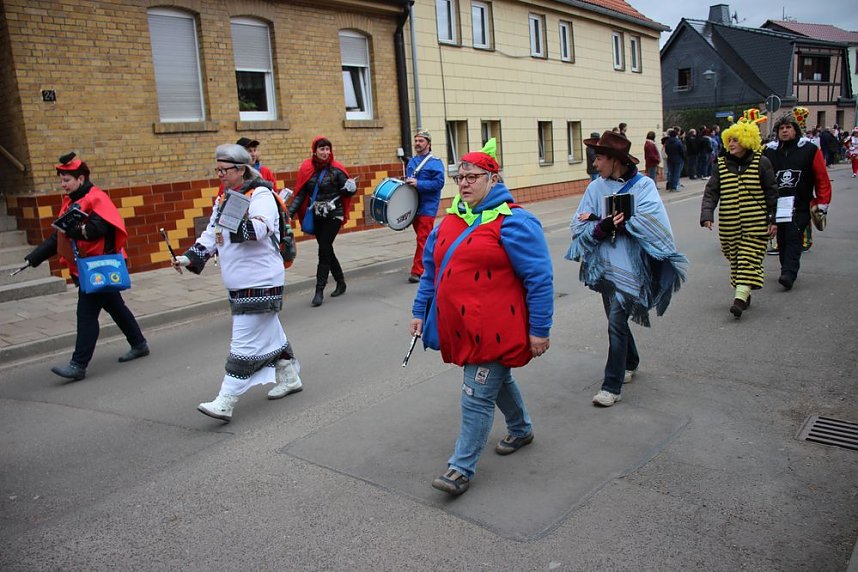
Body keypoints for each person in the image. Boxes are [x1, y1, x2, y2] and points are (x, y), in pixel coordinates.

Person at [410, 139, 553, 497]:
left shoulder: (515, 222)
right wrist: (418, 311)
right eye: (460, 177)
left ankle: (460, 468)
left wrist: (539, 330)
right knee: (494, 380)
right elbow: (431, 270)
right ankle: (521, 429)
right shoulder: (450, 221)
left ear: (493, 179)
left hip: (498, 330)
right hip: (462, 329)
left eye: (473, 176)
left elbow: (539, 279)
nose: (464, 183)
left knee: (476, 392)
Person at [172, 144, 302, 422]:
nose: (219, 174)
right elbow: (211, 235)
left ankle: (226, 400)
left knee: (243, 342)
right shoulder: (224, 200)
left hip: (261, 280)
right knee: (269, 329)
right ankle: (289, 374)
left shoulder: (261, 194)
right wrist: (187, 258)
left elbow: (259, 228)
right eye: (217, 169)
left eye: (224, 169)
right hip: (240, 282)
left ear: (241, 170)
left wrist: (233, 218)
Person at [567, 132, 686, 407]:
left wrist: (616, 222)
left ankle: (612, 385)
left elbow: (654, 225)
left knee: (616, 322)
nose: (595, 164)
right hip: (604, 268)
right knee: (614, 319)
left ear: (615, 160)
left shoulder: (643, 186)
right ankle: (631, 361)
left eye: (599, 158)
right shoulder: (595, 188)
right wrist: (603, 225)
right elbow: (577, 225)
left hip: (633, 269)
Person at [24, 153, 149, 381]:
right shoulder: (71, 201)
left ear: (80, 179)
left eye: (66, 180)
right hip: (85, 267)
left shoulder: (96, 198)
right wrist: (33, 258)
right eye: (61, 180)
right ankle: (139, 344)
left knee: (86, 314)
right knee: (115, 306)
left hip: (99, 267)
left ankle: (78, 365)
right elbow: (58, 237)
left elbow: (97, 229)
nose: (63, 185)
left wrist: (75, 230)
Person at [700, 111, 778, 318]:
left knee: (748, 258)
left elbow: (772, 192)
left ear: (747, 140)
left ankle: (740, 298)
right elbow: (711, 192)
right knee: (735, 259)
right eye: (729, 140)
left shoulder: (762, 162)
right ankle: (744, 289)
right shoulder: (721, 165)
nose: (731, 144)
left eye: (736, 140)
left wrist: (773, 218)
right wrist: (707, 214)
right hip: (729, 225)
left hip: (756, 224)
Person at [763, 110, 832, 291]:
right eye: (782, 128)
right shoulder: (769, 152)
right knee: (782, 239)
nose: (785, 131)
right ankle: (785, 267)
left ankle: (789, 273)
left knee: (794, 236)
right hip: (777, 204)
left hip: (800, 204)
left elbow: (821, 178)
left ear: (795, 130)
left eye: (789, 127)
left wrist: (822, 203)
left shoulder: (809, 150)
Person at [287, 136, 357, 307]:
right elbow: (301, 194)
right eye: (322, 149)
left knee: (323, 249)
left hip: (334, 215)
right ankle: (341, 282)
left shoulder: (336, 169)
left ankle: (319, 290)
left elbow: (347, 193)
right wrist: (288, 213)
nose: (326, 152)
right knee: (327, 250)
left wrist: (350, 188)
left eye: (328, 149)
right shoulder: (307, 169)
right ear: (315, 150)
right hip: (317, 216)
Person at [404, 129, 445, 283]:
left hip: (428, 207)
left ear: (428, 143)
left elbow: (439, 183)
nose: (417, 144)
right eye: (416, 141)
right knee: (425, 239)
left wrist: (419, 183)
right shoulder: (412, 162)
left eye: (421, 141)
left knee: (423, 238)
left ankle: (417, 271)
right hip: (414, 207)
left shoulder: (435, 162)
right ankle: (437, 261)